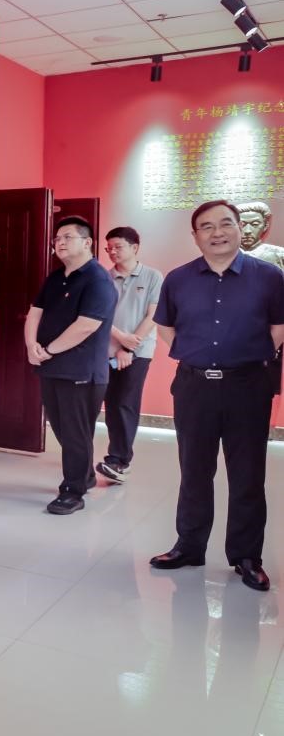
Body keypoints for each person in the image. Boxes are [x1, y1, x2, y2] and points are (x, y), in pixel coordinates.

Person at [149, 200, 284, 592]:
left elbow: (278, 328)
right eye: (206, 227)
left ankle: (246, 556)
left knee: (248, 475)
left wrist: (245, 356)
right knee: (194, 471)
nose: (217, 232)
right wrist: (195, 355)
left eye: (226, 224)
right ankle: (189, 546)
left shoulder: (270, 277)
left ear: (240, 229)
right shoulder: (178, 279)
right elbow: (166, 327)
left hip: (248, 386)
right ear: (195, 236)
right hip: (194, 387)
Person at [24, 215, 117, 516]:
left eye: (67, 237)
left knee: (76, 433)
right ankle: (84, 475)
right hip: (51, 366)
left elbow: (86, 325)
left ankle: (73, 491)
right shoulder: (55, 277)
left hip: (81, 370)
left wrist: (48, 350)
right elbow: (34, 312)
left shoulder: (98, 280)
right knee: (62, 429)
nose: (59, 243)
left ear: (87, 242)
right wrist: (31, 346)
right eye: (57, 239)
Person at [97, 226, 163, 484]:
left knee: (125, 402)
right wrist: (119, 341)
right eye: (109, 248)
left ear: (134, 247)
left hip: (139, 351)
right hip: (105, 349)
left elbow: (153, 316)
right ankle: (114, 457)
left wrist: (128, 347)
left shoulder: (152, 276)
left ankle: (119, 461)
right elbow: (99, 316)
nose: (112, 252)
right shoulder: (104, 278)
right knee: (110, 403)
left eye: (118, 247)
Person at [237, 201, 284, 270]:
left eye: (255, 224)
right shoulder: (224, 255)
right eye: (242, 225)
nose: (247, 231)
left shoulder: (279, 255)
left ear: (265, 226)